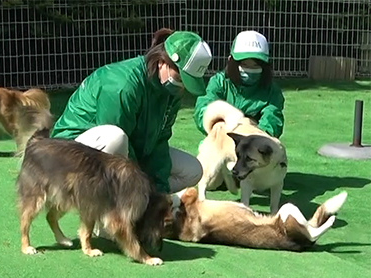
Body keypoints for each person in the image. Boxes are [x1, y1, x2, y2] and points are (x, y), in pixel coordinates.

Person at [50, 28, 213, 197]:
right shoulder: (122, 85)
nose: (183, 87)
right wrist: (141, 186)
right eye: (181, 79)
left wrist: (159, 190)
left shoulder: (171, 91)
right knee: (115, 138)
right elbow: (117, 149)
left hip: (128, 149)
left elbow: (159, 142)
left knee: (193, 171)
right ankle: (110, 208)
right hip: (68, 154)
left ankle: (139, 199)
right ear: (163, 61)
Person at [193, 30, 285, 138]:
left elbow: (272, 120)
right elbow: (204, 110)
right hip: (221, 140)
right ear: (231, 60)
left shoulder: (272, 92)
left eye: (255, 66)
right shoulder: (219, 83)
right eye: (244, 64)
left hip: (255, 146)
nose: (249, 70)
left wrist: (254, 136)